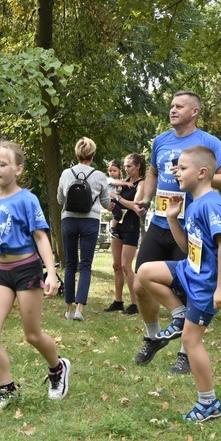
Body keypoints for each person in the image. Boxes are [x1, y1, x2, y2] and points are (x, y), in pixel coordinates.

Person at [131, 91, 221, 374]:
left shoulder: (209, 143)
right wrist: (146, 197)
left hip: (195, 225)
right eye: (171, 106)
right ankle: (153, 336)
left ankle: (185, 352)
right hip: (164, 221)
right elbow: (152, 172)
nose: (173, 110)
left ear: (195, 112)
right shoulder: (160, 141)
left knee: (192, 286)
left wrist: (194, 176)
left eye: (179, 106)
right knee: (140, 281)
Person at [0, 131, 69, 411]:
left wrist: (50, 272)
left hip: (26, 270)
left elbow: (40, 237)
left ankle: (58, 368)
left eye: (3, 164)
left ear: (18, 169)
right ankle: (7, 388)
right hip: (1, 273)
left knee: (32, 335)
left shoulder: (27, 199)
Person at [139, 146, 221, 421]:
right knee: (144, 272)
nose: (176, 171)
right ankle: (178, 314)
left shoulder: (212, 203)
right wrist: (171, 219)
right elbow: (186, 246)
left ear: (202, 173)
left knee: (192, 342)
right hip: (187, 270)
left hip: (205, 284)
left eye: (183, 168)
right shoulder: (193, 203)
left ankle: (208, 403)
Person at [57, 137, 113, 321]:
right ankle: (80, 309)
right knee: (86, 264)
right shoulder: (99, 176)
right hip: (90, 221)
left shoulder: (66, 173)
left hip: (69, 220)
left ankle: (68, 309)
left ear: (76, 153)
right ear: (93, 155)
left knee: (71, 263)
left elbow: (60, 199)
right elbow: (105, 202)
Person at [104, 154, 146, 315]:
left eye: (129, 166)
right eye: (125, 166)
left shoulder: (141, 184)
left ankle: (135, 303)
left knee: (126, 266)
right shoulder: (124, 183)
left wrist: (118, 197)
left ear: (138, 167)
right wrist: (111, 203)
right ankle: (118, 301)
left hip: (130, 227)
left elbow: (135, 205)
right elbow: (115, 201)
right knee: (116, 266)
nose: (126, 169)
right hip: (118, 227)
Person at [106, 161, 129, 237]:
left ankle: (119, 226)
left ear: (119, 171)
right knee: (118, 214)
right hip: (111, 200)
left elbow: (125, 180)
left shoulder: (120, 180)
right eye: (110, 171)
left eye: (114, 171)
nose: (112, 173)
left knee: (125, 208)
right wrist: (126, 183)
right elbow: (116, 184)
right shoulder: (109, 180)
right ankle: (112, 228)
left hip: (117, 199)